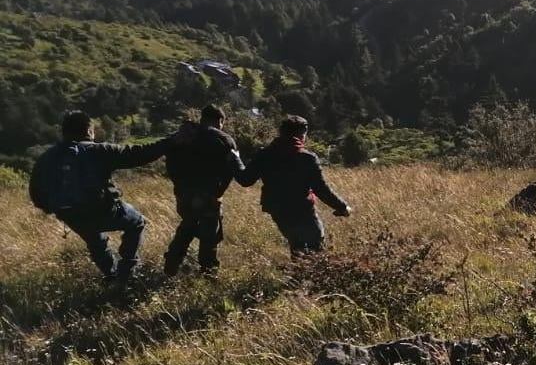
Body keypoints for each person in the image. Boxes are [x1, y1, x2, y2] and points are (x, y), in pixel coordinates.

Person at [29, 111, 183, 282]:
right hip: (103, 210)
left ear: (64, 132)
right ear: (89, 130)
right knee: (138, 223)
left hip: (70, 215)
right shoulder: (98, 150)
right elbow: (138, 154)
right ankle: (126, 272)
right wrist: (170, 141)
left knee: (95, 240)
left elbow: (36, 194)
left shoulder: (46, 158)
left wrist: (56, 210)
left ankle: (111, 275)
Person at [238, 116, 351, 258]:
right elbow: (321, 188)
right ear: (302, 134)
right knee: (316, 246)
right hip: (303, 210)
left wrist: (235, 159)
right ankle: (312, 278)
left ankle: (298, 277)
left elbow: (245, 180)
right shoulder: (307, 158)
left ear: (281, 132)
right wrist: (342, 207)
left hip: (278, 210)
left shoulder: (264, 155)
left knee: (297, 246)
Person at [163, 105, 246, 277]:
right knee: (210, 237)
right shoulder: (224, 140)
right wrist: (218, 192)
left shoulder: (184, 137)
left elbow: (170, 163)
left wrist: (179, 187)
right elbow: (232, 171)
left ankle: (171, 265)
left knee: (187, 226)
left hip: (184, 194)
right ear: (220, 121)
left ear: (202, 118)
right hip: (208, 195)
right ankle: (208, 272)